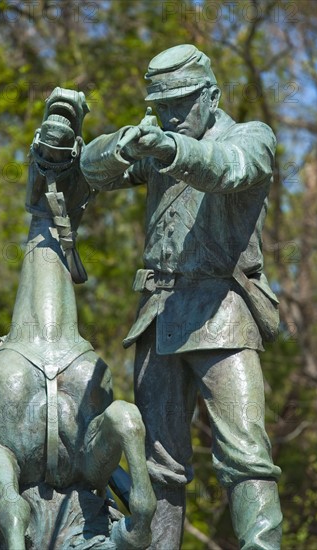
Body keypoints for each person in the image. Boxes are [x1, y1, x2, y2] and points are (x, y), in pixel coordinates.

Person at [81, 44, 283, 549]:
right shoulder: (161, 142)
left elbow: (229, 168)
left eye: (182, 103)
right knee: (158, 468)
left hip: (223, 315)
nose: (171, 115)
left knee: (246, 457)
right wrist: (127, 144)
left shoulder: (249, 137)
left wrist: (169, 150)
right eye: (162, 105)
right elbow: (91, 169)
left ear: (211, 95)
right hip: (159, 317)